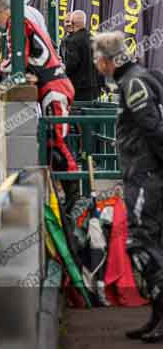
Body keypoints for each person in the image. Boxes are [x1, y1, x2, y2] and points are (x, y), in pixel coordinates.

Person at [92, 31, 163, 341]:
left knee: (141, 241)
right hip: (143, 172)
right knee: (151, 242)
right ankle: (156, 317)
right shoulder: (133, 78)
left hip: (145, 175)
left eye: (97, 58)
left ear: (107, 60)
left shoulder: (133, 82)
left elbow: (153, 128)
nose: (96, 64)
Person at [0, 0, 78, 182]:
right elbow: (19, 66)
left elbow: (14, 65)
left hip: (54, 88)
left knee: (57, 144)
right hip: (52, 86)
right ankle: (65, 196)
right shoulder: (17, 24)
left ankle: (75, 201)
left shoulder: (16, 26)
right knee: (52, 143)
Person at [63, 10, 100, 103]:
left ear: (72, 23)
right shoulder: (93, 39)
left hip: (78, 89)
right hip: (94, 87)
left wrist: (62, 67)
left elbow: (71, 65)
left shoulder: (72, 41)